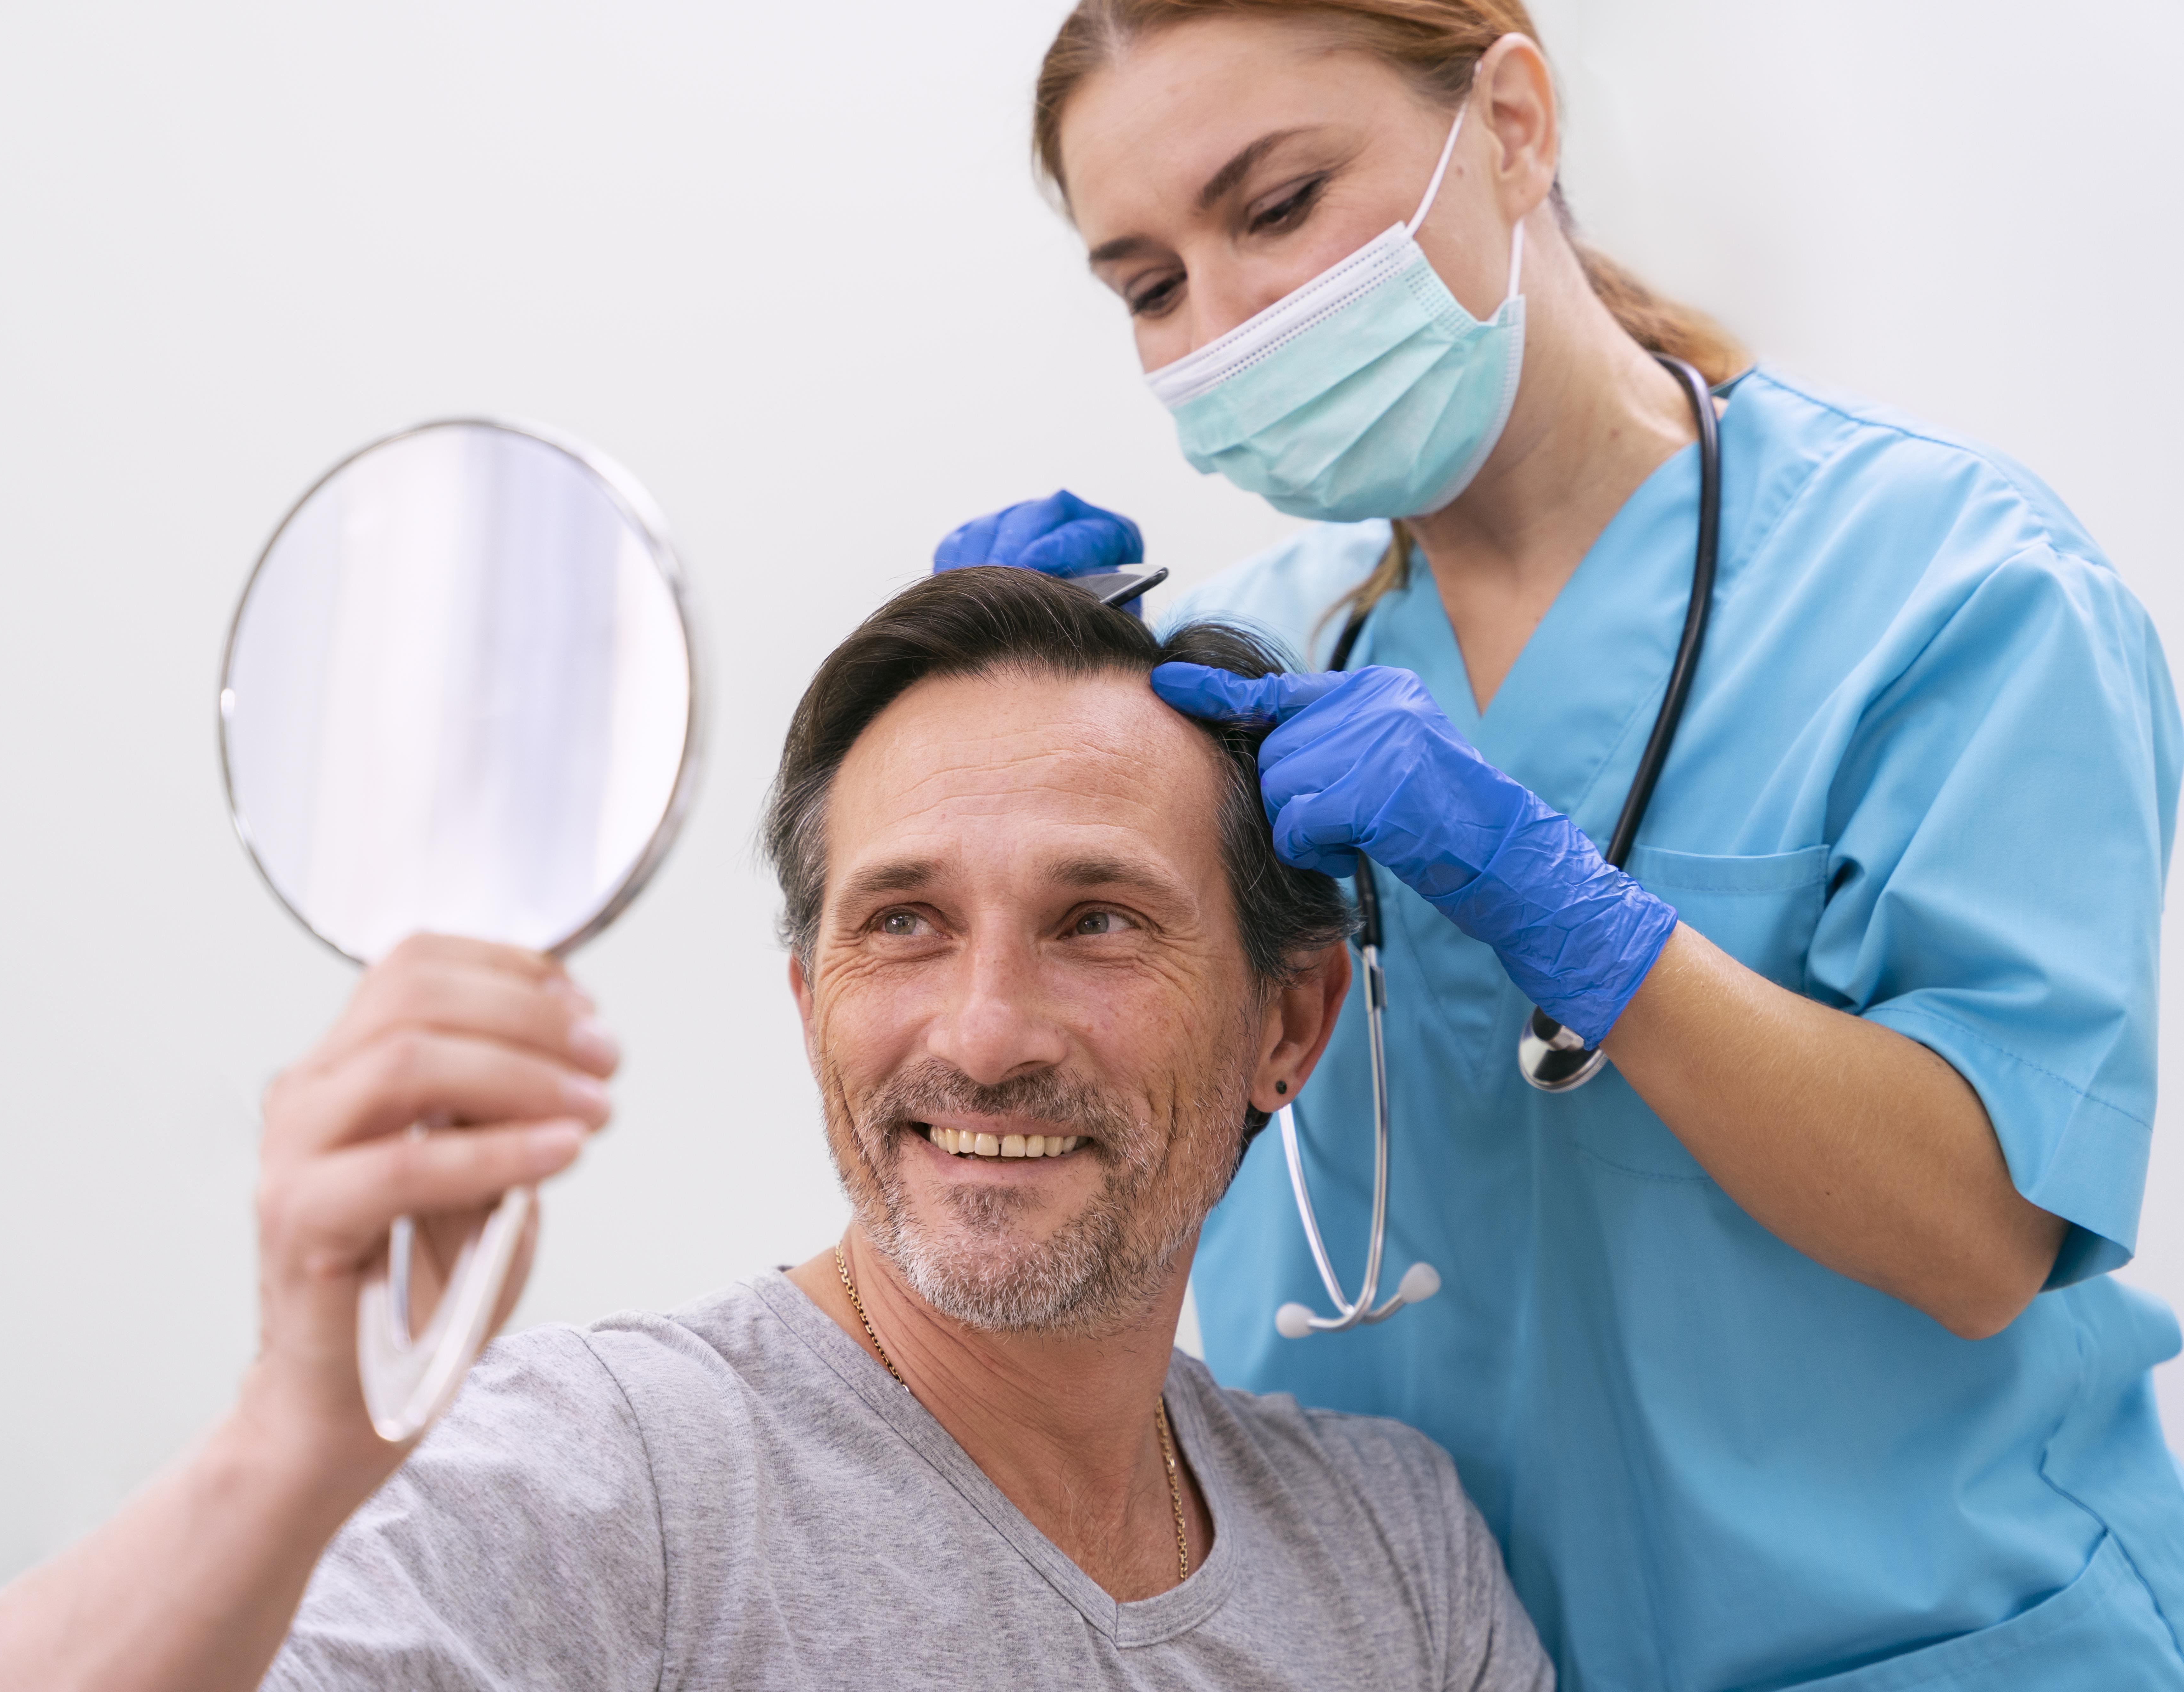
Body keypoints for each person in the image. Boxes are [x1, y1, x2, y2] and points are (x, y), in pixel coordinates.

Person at [934, 3, 2184, 1687]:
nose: (1224, 324)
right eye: (1148, 285)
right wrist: (1000, 748)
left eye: (1279, 205)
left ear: (1512, 124)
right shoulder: (1243, 674)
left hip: (1923, 1642)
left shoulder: (1948, 593)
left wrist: (1562, 911)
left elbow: (1979, 1243)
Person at [0, 568, 1552, 1692]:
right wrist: (293, 1443)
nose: (980, 1036)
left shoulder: (1390, 1558)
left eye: (1100, 921)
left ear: (1288, 1022)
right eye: (902, 924)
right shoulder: (618, 1477)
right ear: (808, 999)